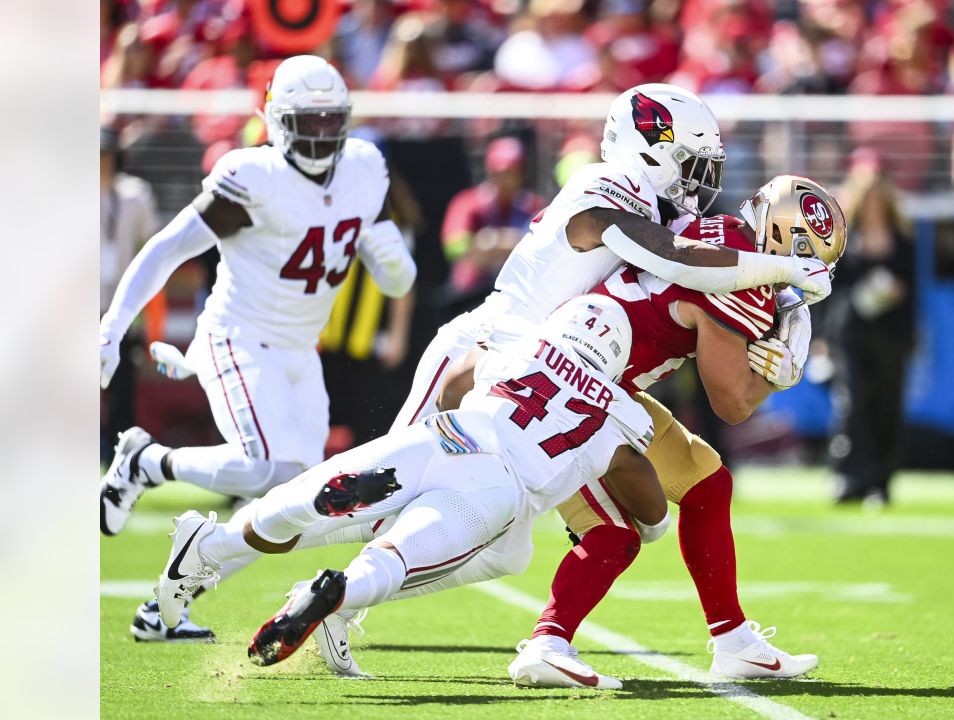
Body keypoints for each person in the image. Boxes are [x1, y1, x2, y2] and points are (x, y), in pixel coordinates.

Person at [153, 298, 667, 677]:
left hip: (445, 436)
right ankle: (337, 596)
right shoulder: (616, 412)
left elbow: (456, 383)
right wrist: (656, 525)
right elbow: (642, 486)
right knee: (393, 560)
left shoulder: (525, 344)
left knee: (311, 496)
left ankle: (212, 543)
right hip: (496, 487)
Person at [99, 56, 417, 637]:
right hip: (239, 334)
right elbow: (169, 247)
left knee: (296, 501)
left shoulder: (365, 167)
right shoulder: (256, 177)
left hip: (301, 348)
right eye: (308, 121)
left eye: (330, 121)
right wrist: (113, 325)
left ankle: (167, 600)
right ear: (276, 121)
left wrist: (393, 259)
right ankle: (147, 462)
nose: (321, 135)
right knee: (274, 469)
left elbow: (395, 271)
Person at [504, 176, 847, 689]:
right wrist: (782, 375)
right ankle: (547, 643)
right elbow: (732, 402)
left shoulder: (717, 232)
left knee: (707, 484)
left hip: (606, 388)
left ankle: (733, 642)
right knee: (615, 533)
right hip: (569, 391)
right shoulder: (742, 282)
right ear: (787, 245)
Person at [393, 83, 833, 434]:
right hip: (492, 340)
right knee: (386, 492)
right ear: (653, 150)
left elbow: (713, 274)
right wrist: (791, 269)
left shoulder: (659, 210)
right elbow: (679, 259)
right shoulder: (614, 183)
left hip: (546, 365)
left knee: (494, 535)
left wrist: (790, 308)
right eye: (691, 167)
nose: (697, 188)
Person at [827, 149, 915, 505]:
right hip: (851, 331)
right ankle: (848, 476)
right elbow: (830, 288)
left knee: (887, 406)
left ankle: (881, 480)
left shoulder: (903, 238)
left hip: (891, 333)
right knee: (852, 404)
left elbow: (913, 290)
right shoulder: (844, 238)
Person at [100, 126, 160, 465]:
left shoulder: (135, 194)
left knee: (122, 391)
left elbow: (151, 249)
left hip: (120, 308)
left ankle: (120, 464)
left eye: (106, 154)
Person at [440, 137, 545, 304]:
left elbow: (543, 248)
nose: (504, 179)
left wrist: (491, 242)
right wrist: (508, 243)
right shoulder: (468, 202)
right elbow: (454, 247)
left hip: (517, 293)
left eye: (511, 172)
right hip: (470, 294)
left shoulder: (533, 205)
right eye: (498, 172)